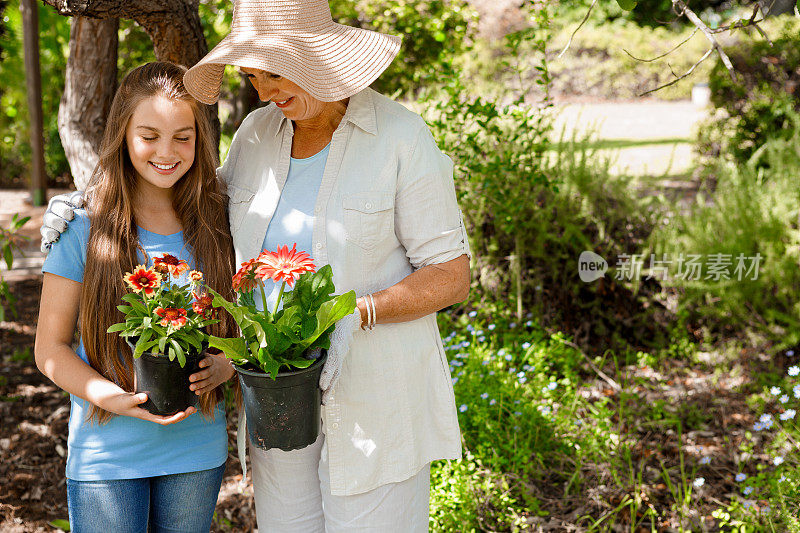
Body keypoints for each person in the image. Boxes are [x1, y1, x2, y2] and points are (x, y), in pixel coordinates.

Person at [42, 0, 471, 530]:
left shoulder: (401, 140)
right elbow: (184, 197)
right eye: (251, 76)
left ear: (318, 57)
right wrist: (85, 205)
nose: (263, 92)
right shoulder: (257, 134)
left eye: (273, 73)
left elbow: (452, 276)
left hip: (374, 405)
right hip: (275, 403)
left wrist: (345, 313)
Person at [34, 62, 238, 533]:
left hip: (195, 450)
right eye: (150, 134)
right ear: (123, 134)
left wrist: (227, 364)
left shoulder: (217, 220)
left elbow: (238, 325)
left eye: (182, 136)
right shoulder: (81, 226)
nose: (167, 152)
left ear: (199, 140)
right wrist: (108, 396)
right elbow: (49, 349)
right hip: (107, 454)